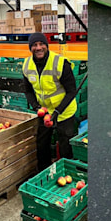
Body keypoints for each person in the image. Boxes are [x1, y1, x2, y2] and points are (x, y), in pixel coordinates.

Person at [22, 32, 78, 171]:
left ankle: (68, 173)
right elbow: (28, 90)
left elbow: (72, 91)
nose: (38, 48)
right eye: (34, 45)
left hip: (64, 111)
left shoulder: (59, 63)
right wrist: (36, 107)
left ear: (47, 46)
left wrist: (58, 111)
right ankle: (44, 173)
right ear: (31, 48)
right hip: (45, 111)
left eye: (41, 44)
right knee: (42, 144)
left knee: (65, 146)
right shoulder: (27, 64)